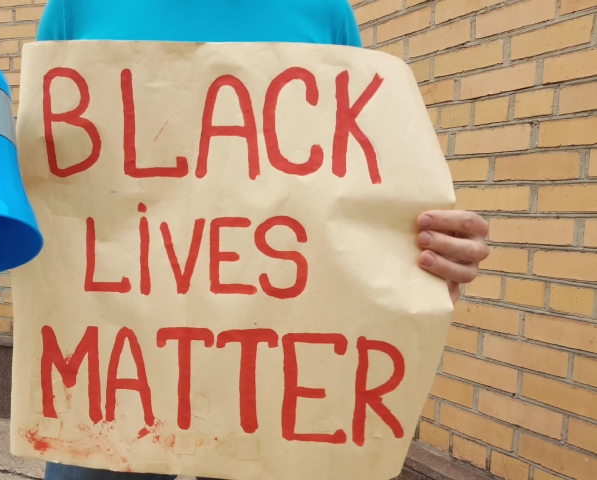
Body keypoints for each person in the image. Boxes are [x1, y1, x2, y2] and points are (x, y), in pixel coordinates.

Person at [35, 1, 490, 479]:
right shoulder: (76, 9)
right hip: (112, 379)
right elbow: (53, 190)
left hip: (268, 384)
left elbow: (342, 205)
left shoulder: (324, 14)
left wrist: (418, 253)